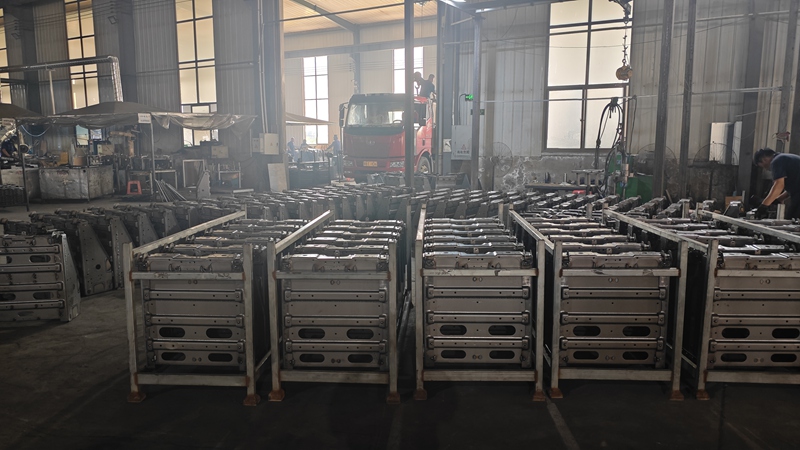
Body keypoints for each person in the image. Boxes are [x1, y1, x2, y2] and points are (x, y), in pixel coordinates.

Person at [753, 147, 800, 219]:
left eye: (764, 167)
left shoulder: (776, 161)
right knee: (792, 218)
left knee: (793, 220)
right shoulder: (785, 158)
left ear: (764, 159)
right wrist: (779, 199)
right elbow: (794, 186)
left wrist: (764, 206)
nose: (766, 169)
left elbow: (779, 185)